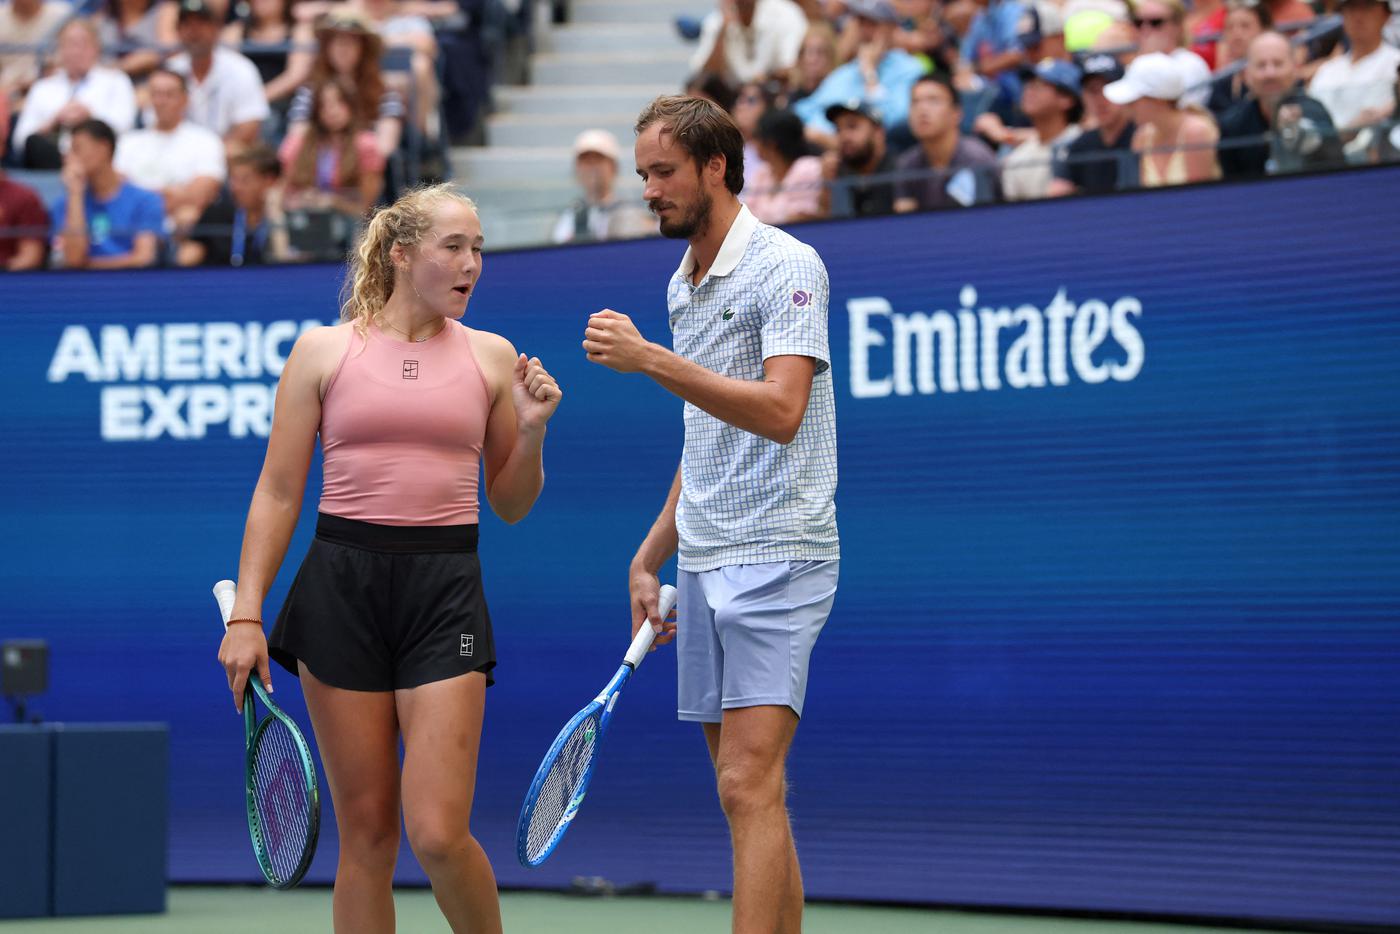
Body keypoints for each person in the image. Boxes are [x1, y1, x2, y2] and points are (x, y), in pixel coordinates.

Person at [217, 182, 561, 934]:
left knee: (437, 832)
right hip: (340, 589)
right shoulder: (323, 351)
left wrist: (531, 432)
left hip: (446, 592)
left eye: (479, 250)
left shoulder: (493, 357)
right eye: (455, 247)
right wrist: (248, 612)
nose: (472, 263)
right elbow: (278, 494)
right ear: (403, 255)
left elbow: (509, 502)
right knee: (368, 837)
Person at [582, 94, 838, 934]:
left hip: (782, 550)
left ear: (714, 168)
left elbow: (779, 410)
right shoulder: (681, 283)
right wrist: (650, 554)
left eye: (663, 173)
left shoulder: (788, 264)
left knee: (745, 782)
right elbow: (706, 439)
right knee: (746, 794)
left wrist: (650, 359)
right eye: (643, 174)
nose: (649, 190)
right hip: (702, 557)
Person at [12, 18, 138, 169]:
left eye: (83, 44)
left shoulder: (116, 80)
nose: (76, 51)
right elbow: (21, 141)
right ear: (59, 49)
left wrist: (89, 117)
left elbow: (124, 126)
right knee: (35, 143)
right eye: (69, 44)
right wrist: (53, 122)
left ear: (96, 48)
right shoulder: (42, 87)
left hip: (99, 158)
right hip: (52, 158)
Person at [1218, 31, 1344, 178]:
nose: (1270, 73)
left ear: (1295, 69)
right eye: (1261, 65)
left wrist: (1301, 129)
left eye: (1278, 64)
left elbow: (1336, 172)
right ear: (1247, 74)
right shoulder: (1232, 125)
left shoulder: (1316, 111)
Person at [115, 68, 226, 231]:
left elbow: (201, 194)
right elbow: (116, 192)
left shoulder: (206, 140)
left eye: (169, 94)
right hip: (132, 229)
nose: (161, 101)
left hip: (180, 231)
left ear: (185, 99)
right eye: (156, 94)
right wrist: (171, 193)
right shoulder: (128, 142)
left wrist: (142, 196)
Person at [51, 118, 164, 269]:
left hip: (131, 286)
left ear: (104, 148)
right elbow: (73, 260)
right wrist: (75, 193)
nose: (69, 158)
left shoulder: (145, 201)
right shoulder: (65, 204)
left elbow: (143, 258)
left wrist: (89, 265)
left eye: (76, 149)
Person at [165, 0, 271, 150]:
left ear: (216, 29)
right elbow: (157, 122)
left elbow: (249, 126)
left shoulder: (240, 68)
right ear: (178, 31)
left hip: (225, 155)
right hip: (178, 156)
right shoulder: (170, 69)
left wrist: (210, 157)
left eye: (201, 24)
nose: (194, 32)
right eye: (187, 25)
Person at [1106, 51, 1221, 186]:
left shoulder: (1196, 133)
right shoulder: (1141, 138)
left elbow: (1197, 200)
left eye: (1133, 101)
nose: (1127, 107)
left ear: (1158, 100)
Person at [893, 72, 1001, 212]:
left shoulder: (976, 158)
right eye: (915, 102)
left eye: (933, 101)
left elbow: (983, 220)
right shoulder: (907, 164)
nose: (922, 109)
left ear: (957, 113)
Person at [179, 143, 291, 266]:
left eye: (244, 180)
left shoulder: (291, 215)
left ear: (269, 181)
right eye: (233, 180)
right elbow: (188, 257)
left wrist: (274, 213)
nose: (235, 188)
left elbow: (284, 260)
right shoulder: (217, 212)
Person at [1049, 52, 1138, 195]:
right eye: (1092, 91)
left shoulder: (1142, 139)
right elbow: (1058, 193)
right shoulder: (1078, 148)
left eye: (1109, 88)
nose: (1100, 100)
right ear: (1083, 97)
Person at [551, 129, 656, 244]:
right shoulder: (567, 216)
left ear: (614, 167)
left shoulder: (631, 214)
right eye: (585, 161)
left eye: (598, 160)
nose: (592, 168)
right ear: (576, 169)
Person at [1000, 58, 1083, 201]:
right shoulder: (1017, 159)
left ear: (1066, 99)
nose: (1029, 91)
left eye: (1039, 85)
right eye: (1028, 84)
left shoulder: (1084, 145)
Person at [821, 98, 900, 217]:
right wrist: (827, 187)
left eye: (852, 127)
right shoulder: (838, 172)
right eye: (838, 129)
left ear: (878, 133)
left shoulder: (901, 170)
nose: (844, 136)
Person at [744, 107, 824, 223]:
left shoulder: (808, 168)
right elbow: (747, 215)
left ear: (771, 144)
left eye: (757, 139)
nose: (754, 144)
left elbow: (801, 216)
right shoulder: (762, 173)